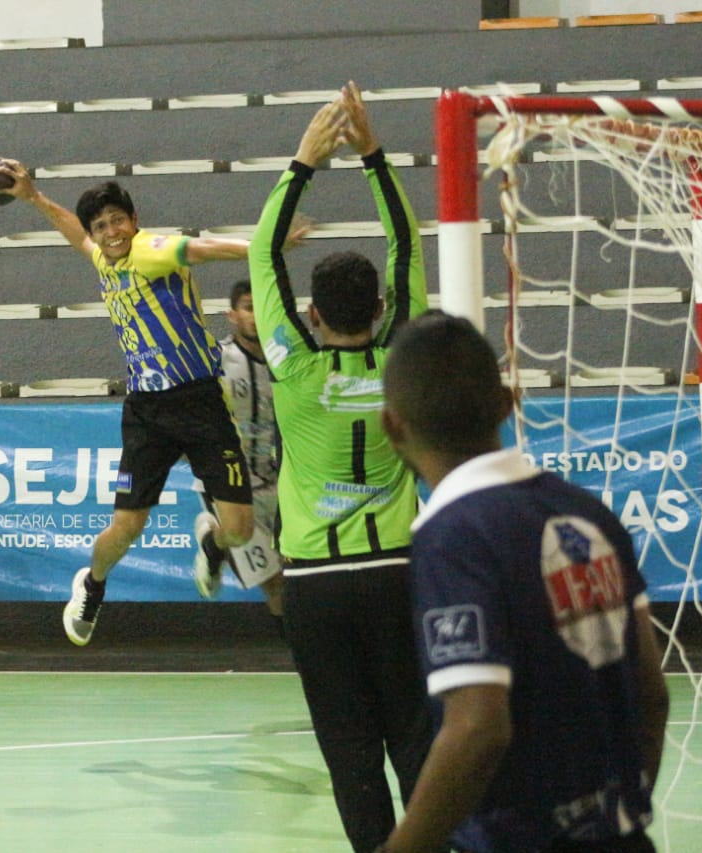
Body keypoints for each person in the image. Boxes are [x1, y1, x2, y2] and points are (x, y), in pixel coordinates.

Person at [378, 311, 671, 853]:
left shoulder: (453, 537)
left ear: (391, 425)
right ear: (506, 403)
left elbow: (477, 729)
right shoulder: (591, 514)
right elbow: (650, 693)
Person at [248, 82, 430, 853]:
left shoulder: (293, 369)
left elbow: (262, 253)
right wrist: (376, 158)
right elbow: (409, 248)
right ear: (385, 305)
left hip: (316, 589)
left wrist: (303, 163)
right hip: (399, 574)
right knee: (416, 738)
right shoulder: (406, 361)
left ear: (311, 314)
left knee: (349, 750)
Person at [0, 162, 282, 645]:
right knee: (126, 529)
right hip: (147, 412)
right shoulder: (103, 258)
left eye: (117, 220)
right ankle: (92, 584)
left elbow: (200, 249)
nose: (110, 232)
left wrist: (260, 249)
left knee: (239, 530)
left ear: (134, 219)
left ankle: (211, 544)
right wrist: (33, 198)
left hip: (201, 402)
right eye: (101, 225)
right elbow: (77, 237)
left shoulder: (151, 250)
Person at [193, 279, 285, 623]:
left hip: (277, 484)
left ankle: (213, 543)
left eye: (261, 305)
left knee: (293, 577)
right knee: (274, 583)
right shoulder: (219, 362)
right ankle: (216, 542)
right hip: (229, 485)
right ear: (232, 314)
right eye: (248, 306)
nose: (256, 314)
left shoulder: (286, 361)